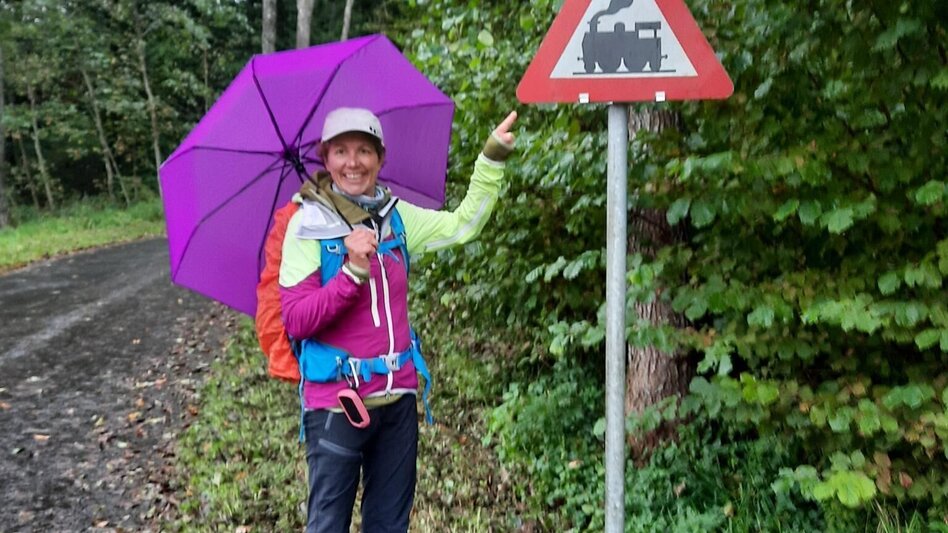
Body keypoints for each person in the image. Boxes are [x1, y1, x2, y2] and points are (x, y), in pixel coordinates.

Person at [278, 106, 517, 532]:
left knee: (389, 525)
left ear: (380, 158)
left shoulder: (397, 218)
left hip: (398, 402)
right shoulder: (306, 227)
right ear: (325, 157)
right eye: (342, 151)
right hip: (337, 405)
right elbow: (296, 320)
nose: (353, 162)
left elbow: (464, 225)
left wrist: (491, 159)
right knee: (328, 525)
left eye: (365, 151)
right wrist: (351, 270)